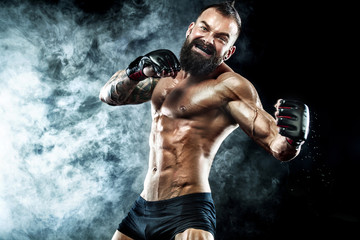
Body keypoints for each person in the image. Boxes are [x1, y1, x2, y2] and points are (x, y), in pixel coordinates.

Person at [99, 1, 310, 240]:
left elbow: (276, 144)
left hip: (187, 213)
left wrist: (292, 140)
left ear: (229, 51)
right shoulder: (164, 73)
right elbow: (109, 97)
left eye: (221, 38)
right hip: (143, 207)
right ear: (190, 29)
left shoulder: (229, 87)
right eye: (204, 28)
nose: (208, 40)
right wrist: (135, 72)